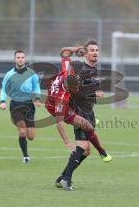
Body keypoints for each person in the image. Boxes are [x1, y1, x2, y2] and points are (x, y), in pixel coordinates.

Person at [46, 41, 112, 191]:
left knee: (86, 150)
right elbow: (59, 120)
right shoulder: (78, 70)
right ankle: (67, 178)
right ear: (86, 53)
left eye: (97, 50)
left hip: (86, 110)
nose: (95, 52)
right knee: (82, 145)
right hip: (76, 109)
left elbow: (64, 51)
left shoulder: (71, 70)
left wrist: (77, 49)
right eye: (91, 50)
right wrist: (66, 142)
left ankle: (62, 177)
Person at [0, 50, 41, 163]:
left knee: (31, 136)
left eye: (22, 57)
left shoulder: (31, 74)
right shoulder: (9, 74)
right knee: (22, 131)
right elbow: (4, 89)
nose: (20, 59)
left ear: (25, 59)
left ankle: (26, 146)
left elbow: (36, 87)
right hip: (15, 105)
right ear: (15, 59)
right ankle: (26, 156)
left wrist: (37, 99)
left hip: (28, 105)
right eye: (18, 57)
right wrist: (2, 101)